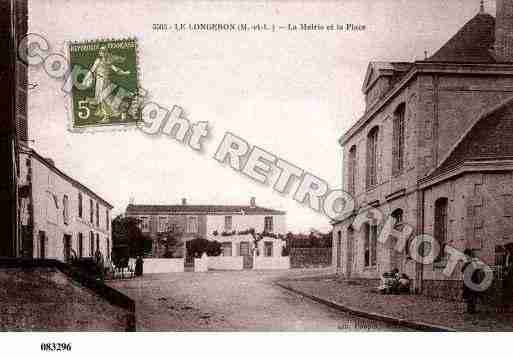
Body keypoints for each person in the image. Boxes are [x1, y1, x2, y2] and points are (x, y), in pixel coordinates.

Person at [462, 249, 480, 314]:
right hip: (469, 281)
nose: (465, 256)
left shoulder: (471, 262)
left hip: (472, 281)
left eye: (465, 255)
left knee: (471, 295)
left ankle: (471, 310)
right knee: (469, 295)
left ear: (468, 255)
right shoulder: (469, 262)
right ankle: (470, 309)